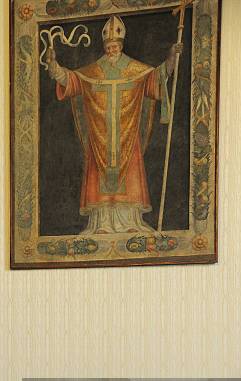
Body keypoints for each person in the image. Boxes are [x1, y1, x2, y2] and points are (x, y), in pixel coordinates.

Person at [46, 15, 182, 235]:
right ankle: (101, 224)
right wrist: (53, 66)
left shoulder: (135, 71)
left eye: (115, 46)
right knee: (98, 175)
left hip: (126, 135)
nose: (111, 50)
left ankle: (130, 222)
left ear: (121, 46)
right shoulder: (92, 72)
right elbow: (71, 80)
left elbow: (156, 78)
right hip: (100, 136)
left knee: (129, 173)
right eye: (108, 46)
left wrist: (171, 59)